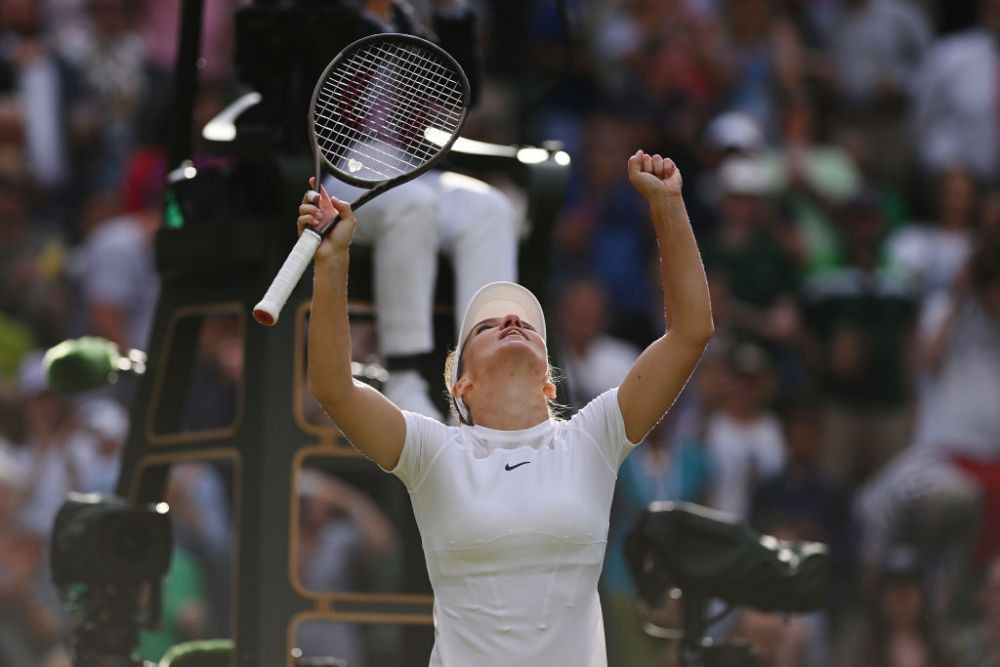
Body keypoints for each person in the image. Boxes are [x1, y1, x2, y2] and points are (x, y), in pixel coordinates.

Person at [301, 150, 714, 666]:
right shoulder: (433, 451)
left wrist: (669, 206)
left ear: (548, 382)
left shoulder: (593, 437)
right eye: (486, 326)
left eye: (524, 322)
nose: (510, 323)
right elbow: (334, 387)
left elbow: (692, 332)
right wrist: (332, 261)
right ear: (462, 385)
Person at [324, 0, 519, 421]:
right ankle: (405, 377)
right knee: (413, 206)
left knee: (492, 211)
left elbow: (466, 91)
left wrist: (450, 13)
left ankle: (478, 382)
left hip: (416, 164)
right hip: (344, 167)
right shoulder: (319, 14)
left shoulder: (409, 21)